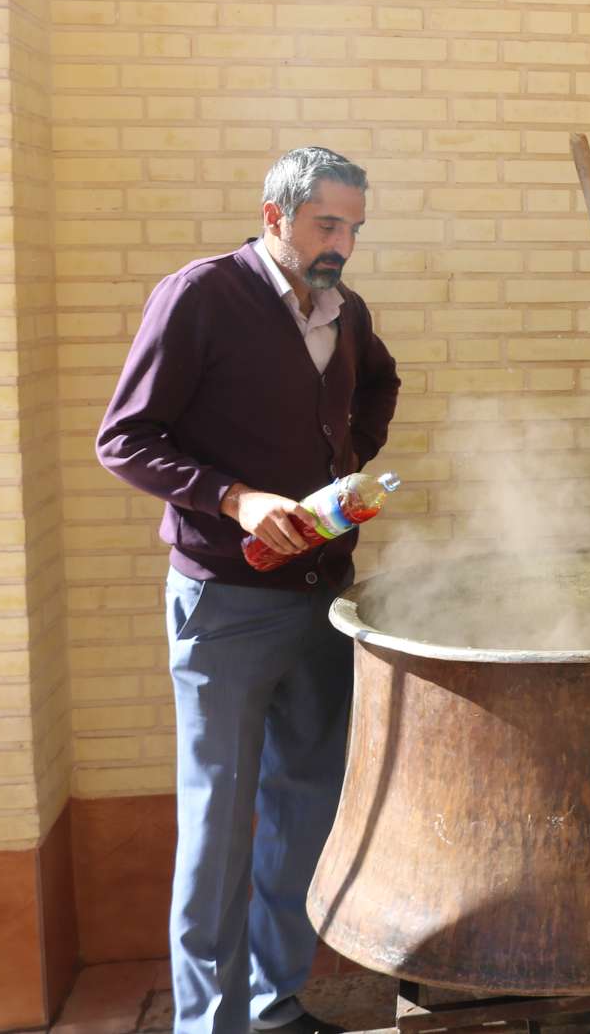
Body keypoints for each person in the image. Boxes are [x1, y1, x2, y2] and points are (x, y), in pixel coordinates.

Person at [97, 147, 401, 1034]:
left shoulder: (347, 311)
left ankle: (274, 1004)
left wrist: (348, 464)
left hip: (323, 601)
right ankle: (210, 1024)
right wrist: (236, 497)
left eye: (354, 227)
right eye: (327, 224)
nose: (342, 244)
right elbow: (124, 438)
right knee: (220, 826)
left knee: (303, 811)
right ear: (275, 216)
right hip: (224, 605)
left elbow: (380, 384)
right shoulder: (199, 296)